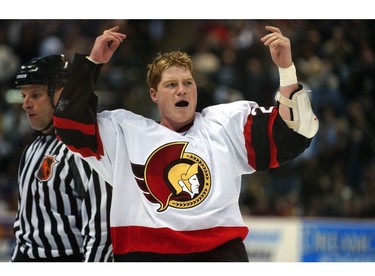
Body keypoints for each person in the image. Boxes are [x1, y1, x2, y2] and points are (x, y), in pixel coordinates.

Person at [53, 25, 319, 262]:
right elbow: (69, 124)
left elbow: (292, 133)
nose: (182, 90)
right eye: (171, 85)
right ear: (154, 95)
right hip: (147, 259)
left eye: (187, 83)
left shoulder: (225, 125)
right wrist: (93, 62)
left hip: (219, 257)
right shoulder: (123, 133)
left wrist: (286, 70)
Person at [11, 54, 113, 262]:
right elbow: (24, 224)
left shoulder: (82, 150)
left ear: (61, 95)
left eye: (36, 95)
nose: (26, 104)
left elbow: (101, 231)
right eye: (24, 96)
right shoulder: (32, 149)